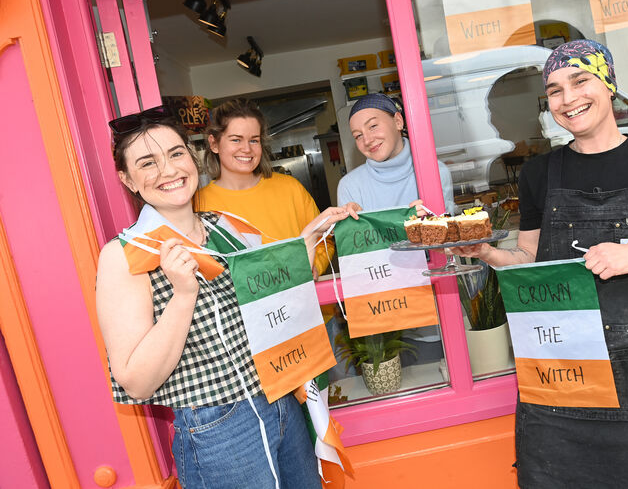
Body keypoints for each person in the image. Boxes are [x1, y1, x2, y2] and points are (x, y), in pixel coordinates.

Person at [453, 39, 628, 488]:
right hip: (563, 373)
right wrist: (487, 253)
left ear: (609, 84)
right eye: (555, 90)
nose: (568, 99)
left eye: (580, 80)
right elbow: (528, 260)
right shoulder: (539, 174)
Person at [95, 107, 356, 488]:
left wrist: (310, 237)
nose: (168, 171)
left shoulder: (227, 227)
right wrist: (183, 295)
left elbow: (268, 295)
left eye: (175, 153)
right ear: (127, 178)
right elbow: (136, 381)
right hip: (219, 431)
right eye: (147, 162)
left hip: (281, 401)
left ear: (194, 155)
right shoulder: (124, 254)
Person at [337, 93, 456, 366]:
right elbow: (362, 263)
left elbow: (448, 249)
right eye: (357, 135)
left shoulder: (434, 173)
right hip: (385, 328)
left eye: (373, 126)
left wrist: (428, 228)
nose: (367, 140)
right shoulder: (350, 187)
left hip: (437, 320)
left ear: (398, 120)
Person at [195, 98, 335, 278]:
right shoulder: (199, 205)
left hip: (302, 300)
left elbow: (325, 241)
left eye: (254, 140)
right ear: (214, 144)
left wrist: (314, 265)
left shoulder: (290, 188)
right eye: (236, 140)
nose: (246, 149)